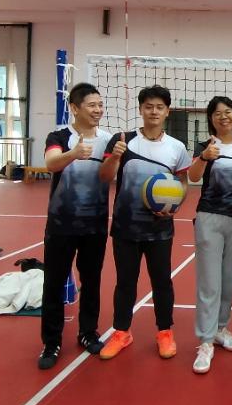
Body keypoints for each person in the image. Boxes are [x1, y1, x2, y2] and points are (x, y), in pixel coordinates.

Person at [98, 85, 191, 360]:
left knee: (161, 281)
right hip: (125, 227)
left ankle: (165, 332)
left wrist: (175, 206)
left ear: (167, 111)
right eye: (148, 106)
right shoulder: (122, 140)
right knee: (125, 282)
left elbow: (183, 182)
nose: (154, 111)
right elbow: (105, 177)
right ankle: (121, 332)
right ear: (140, 109)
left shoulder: (176, 147)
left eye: (159, 107)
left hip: (159, 228)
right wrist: (115, 156)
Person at [37, 82, 112, 370]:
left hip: (95, 225)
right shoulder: (58, 136)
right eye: (92, 105)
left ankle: (88, 332)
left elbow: (112, 174)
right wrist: (73, 154)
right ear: (74, 108)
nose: (98, 110)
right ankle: (51, 341)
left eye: (100, 105)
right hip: (61, 225)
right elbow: (51, 163)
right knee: (54, 283)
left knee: (91, 281)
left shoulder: (108, 140)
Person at [187, 96, 232, 374]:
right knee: (209, 282)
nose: (224, 116)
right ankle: (206, 340)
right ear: (211, 119)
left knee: (229, 279)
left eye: (228, 112)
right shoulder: (206, 146)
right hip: (209, 217)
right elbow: (193, 176)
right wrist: (204, 157)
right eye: (217, 113)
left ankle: (221, 328)